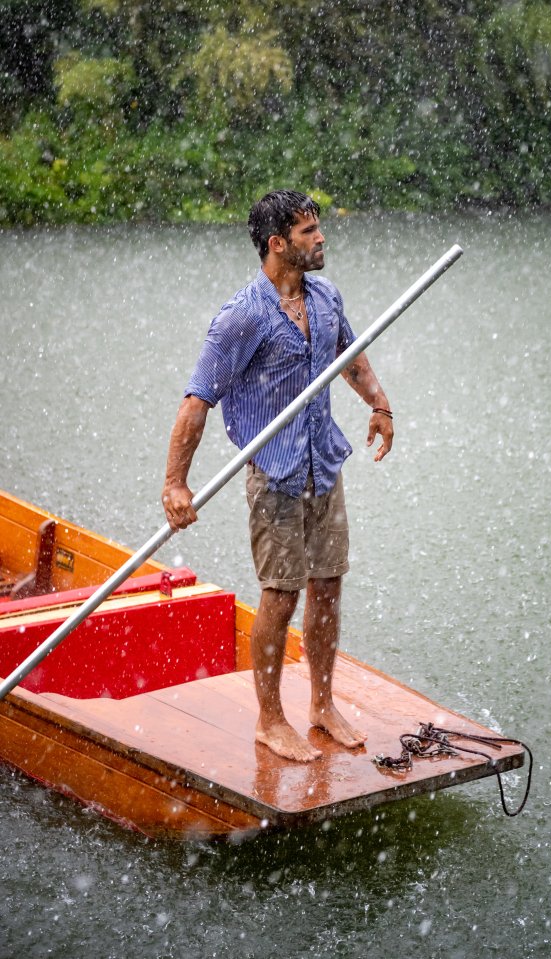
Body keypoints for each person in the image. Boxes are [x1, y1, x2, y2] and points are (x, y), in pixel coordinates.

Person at [162, 190, 393, 762]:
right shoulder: (242, 317)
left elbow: (351, 355)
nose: (320, 238)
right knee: (280, 595)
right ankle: (269, 720)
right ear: (277, 244)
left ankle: (321, 704)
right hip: (275, 475)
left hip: (324, 463)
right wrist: (175, 484)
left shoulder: (326, 296)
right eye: (308, 231)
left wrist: (380, 406)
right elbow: (197, 401)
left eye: (318, 228)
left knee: (329, 587)